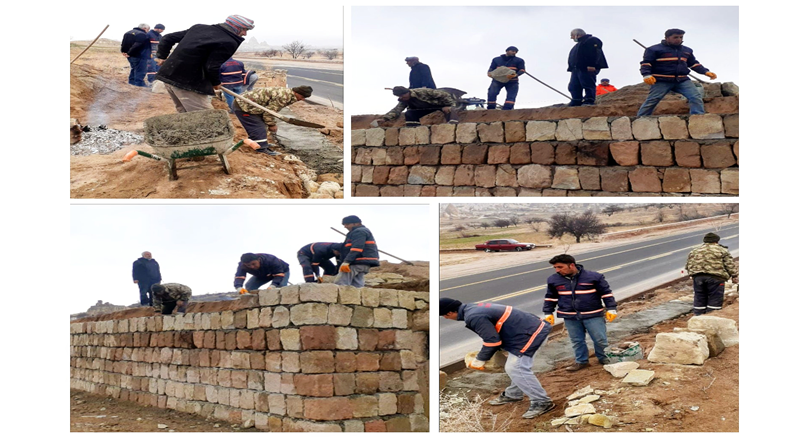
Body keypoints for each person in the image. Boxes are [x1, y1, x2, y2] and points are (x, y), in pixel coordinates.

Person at [440, 298, 555, 419]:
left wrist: (480, 359)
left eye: (444, 315)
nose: (445, 318)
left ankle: (542, 402)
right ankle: (514, 393)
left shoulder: (473, 316)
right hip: (529, 330)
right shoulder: (472, 308)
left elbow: (492, 341)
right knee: (514, 368)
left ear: (449, 313)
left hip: (532, 334)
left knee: (516, 368)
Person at [154, 15, 254, 113]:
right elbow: (211, 67)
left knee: (185, 114)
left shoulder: (199, 28)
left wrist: (161, 56)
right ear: (235, 27)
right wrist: (216, 83)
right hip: (188, 84)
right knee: (206, 117)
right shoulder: (228, 41)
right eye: (244, 30)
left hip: (168, 75)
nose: (244, 34)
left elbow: (167, 38)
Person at [543, 254, 617, 371]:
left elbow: (606, 293)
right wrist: (548, 312)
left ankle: (604, 358)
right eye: (555, 268)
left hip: (593, 314)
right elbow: (550, 297)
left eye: (560, 267)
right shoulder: (553, 280)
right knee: (577, 340)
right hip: (570, 316)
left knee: (600, 339)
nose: (557, 270)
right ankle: (581, 361)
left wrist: (611, 308)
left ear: (571, 265)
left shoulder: (594, 277)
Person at [637, 28, 717, 116]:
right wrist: (646, 75)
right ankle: (641, 118)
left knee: (695, 97)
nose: (679, 39)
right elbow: (646, 63)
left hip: (682, 80)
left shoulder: (687, 51)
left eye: (681, 37)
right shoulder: (653, 50)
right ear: (667, 37)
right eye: (676, 37)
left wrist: (705, 72)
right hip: (662, 80)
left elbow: (693, 64)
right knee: (653, 100)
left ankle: (698, 117)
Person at [232, 86, 313, 155]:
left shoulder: (288, 93)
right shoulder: (284, 97)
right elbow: (269, 112)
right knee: (258, 127)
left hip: (251, 105)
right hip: (243, 106)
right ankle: (261, 149)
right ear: (297, 93)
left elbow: (269, 109)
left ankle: (259, 143)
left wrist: (269, 123)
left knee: (262, 124)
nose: (302, 99)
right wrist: (272, 124)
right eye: (302, 97)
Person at [685, 232, 738, 316]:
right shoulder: (722, 250)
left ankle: (698, 316)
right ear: (717, 241)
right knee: (715, 297)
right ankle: (711, 316)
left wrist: (694, 275)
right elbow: (729, 265)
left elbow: (688, 265)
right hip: (715, 278)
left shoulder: (695, 251)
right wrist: (734, 276)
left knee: (699, 296)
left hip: (698, 278)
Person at [375, 86, 458, 127]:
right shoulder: (404, 100)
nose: (402, 98)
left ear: (407, 92)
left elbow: (445, 95)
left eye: (403, 95)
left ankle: (452, 126)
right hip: (423, 109)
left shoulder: (423, 92)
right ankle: (414, 129)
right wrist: (385, 118)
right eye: (400, 96)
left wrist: (448, 105)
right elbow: (397, 110)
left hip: (438, 105)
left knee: (450, 110)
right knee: (409, 113)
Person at [334, 215, 379, 287]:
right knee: (357, 285)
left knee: (341, 283)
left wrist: (346, 262)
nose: (345, 226)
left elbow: (356, 248)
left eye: (347, 224)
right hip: (364, 263)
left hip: (357, 261)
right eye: (344, 225)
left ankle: (342, 298)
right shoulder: (362, 231)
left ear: (356, 223)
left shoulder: (358, 232)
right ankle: (356, 298)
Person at [567, 29, 608, 106]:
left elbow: (595, 53)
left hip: (587, 68)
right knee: (573, 85)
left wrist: (592, 65)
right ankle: (576, 100)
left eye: (572, 35)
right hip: (577, 69)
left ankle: (589, 100)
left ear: (578, 35)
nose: (572, 38)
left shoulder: (592, 40)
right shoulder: (578, 45)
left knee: (587, 84)